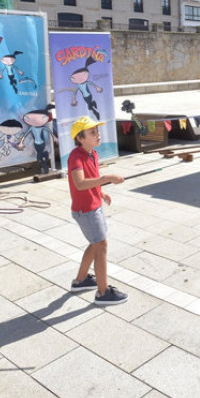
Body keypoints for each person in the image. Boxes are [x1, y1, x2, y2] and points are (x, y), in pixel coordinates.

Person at [68, 116, 129, 305]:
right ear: (80, 138)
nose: (97, 135)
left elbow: (91, 179)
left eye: (97, 131)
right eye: (92, 132)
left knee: (95, 243)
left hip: (94, 205)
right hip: (85, 210)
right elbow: (79, 183)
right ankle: (103, 292)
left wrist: (101, 192)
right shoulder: (75, 157)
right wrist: (106, 178)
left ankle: (81, 281)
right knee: (101, 245)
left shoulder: (92, 154)